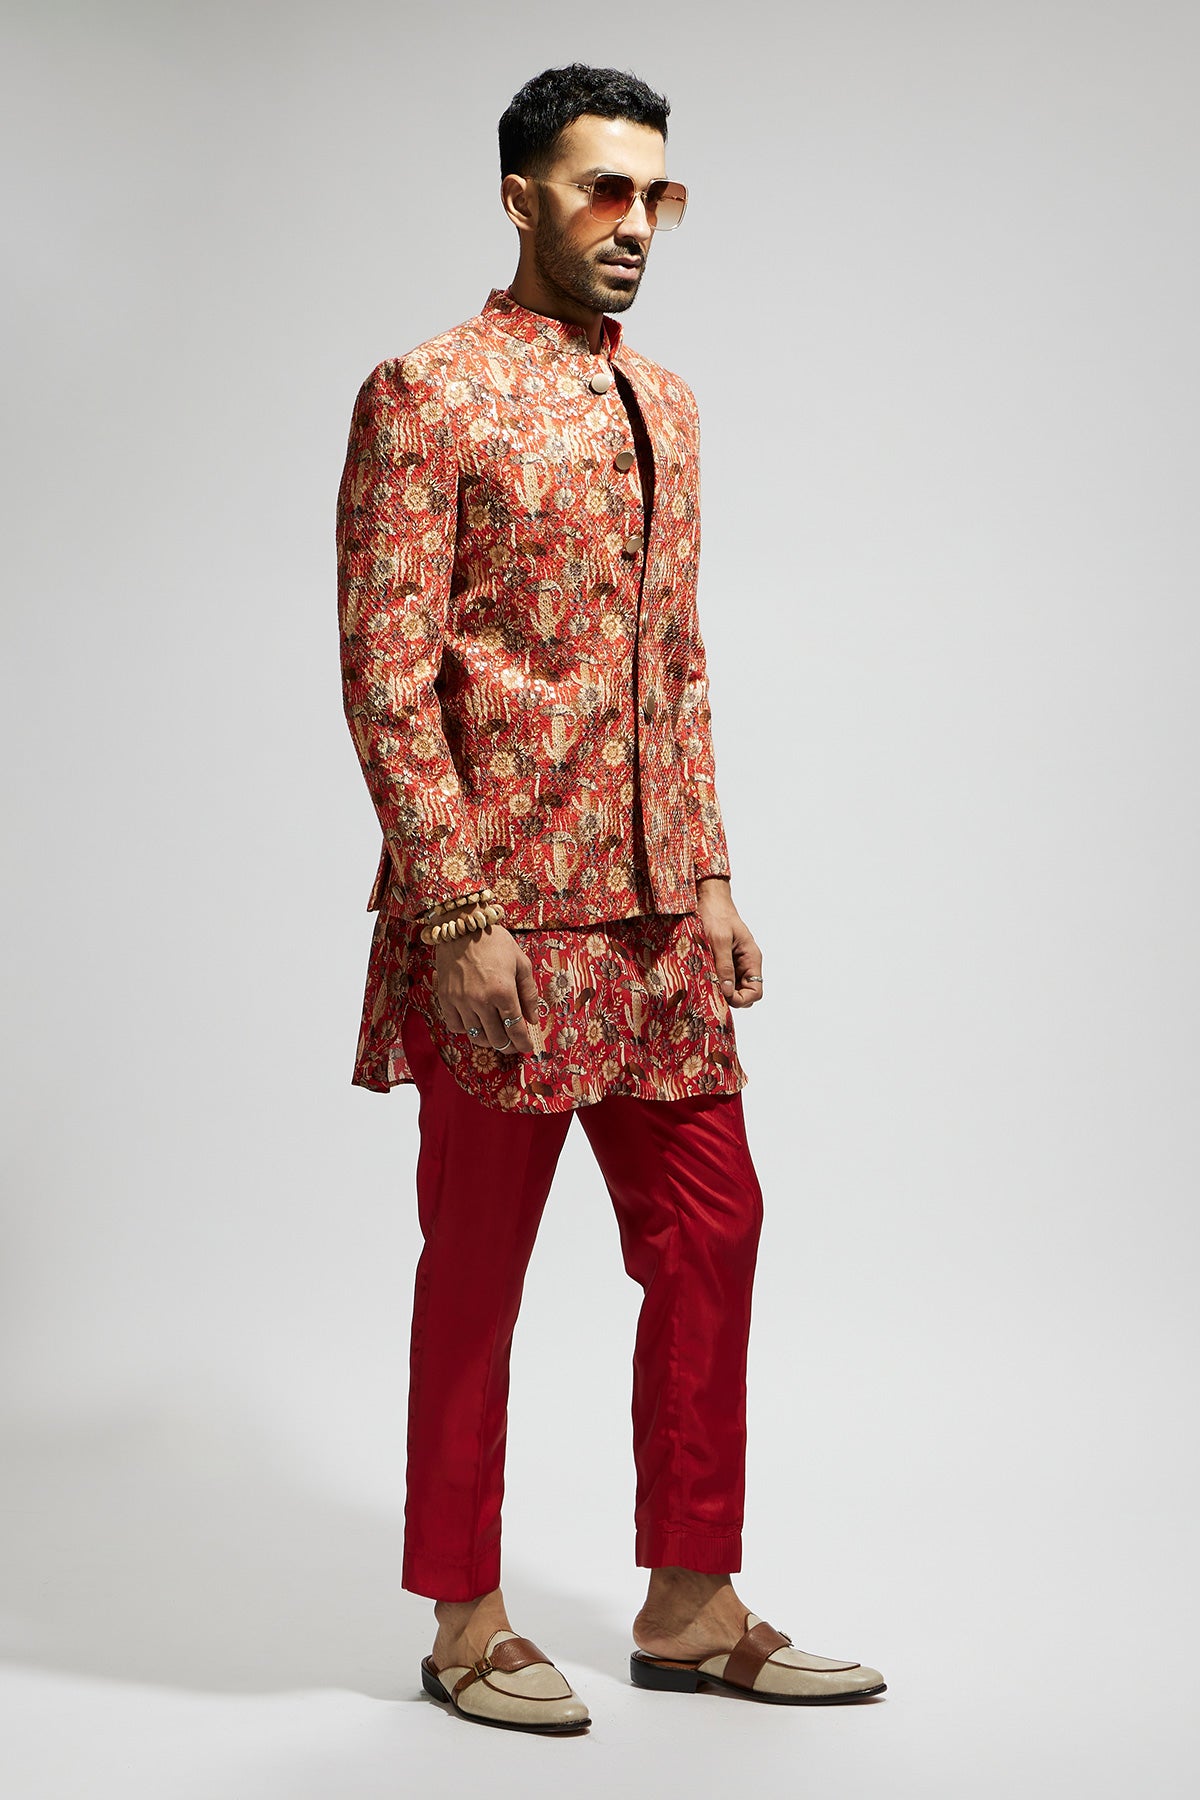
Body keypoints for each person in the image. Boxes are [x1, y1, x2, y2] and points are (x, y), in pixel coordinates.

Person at [335, 62, 886, 1734]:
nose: (635, 223)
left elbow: (675, 664)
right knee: (477, 1273)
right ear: (523, 198)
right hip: (499, 924)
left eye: (658, 194)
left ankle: (691, 1600)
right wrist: (455, 914)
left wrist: (709, 875)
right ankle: (465, 1618)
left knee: (716, 1227)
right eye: (602, 189)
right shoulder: (426, 392)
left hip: (652, 926)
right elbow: (386, 676)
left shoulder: (671, 403)